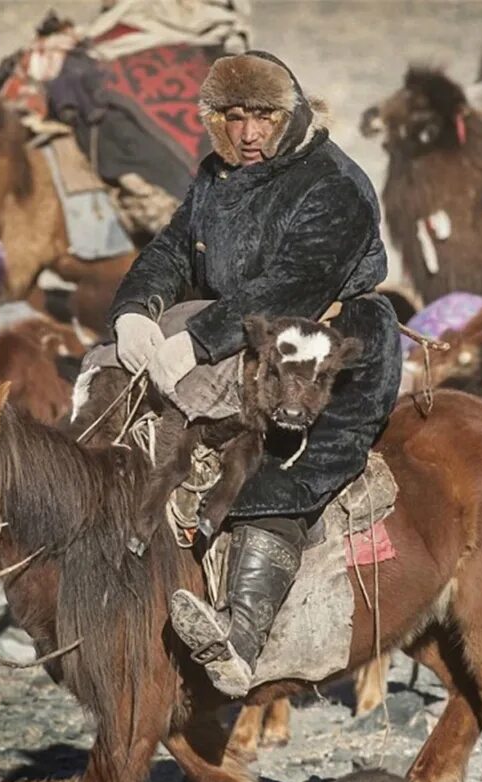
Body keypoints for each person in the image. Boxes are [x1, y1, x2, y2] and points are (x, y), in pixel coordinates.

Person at [107, 51, 402, 697]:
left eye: (263, 116)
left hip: (325, 343)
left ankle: (240, 642)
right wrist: (135, 311)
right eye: (232, 117)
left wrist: (198, 340)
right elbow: (172, 249)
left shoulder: (335, 183)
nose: (247, 134)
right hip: (240, 343)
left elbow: (298, 282)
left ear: (290, 114)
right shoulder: (216, 177)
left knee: (281, 470)